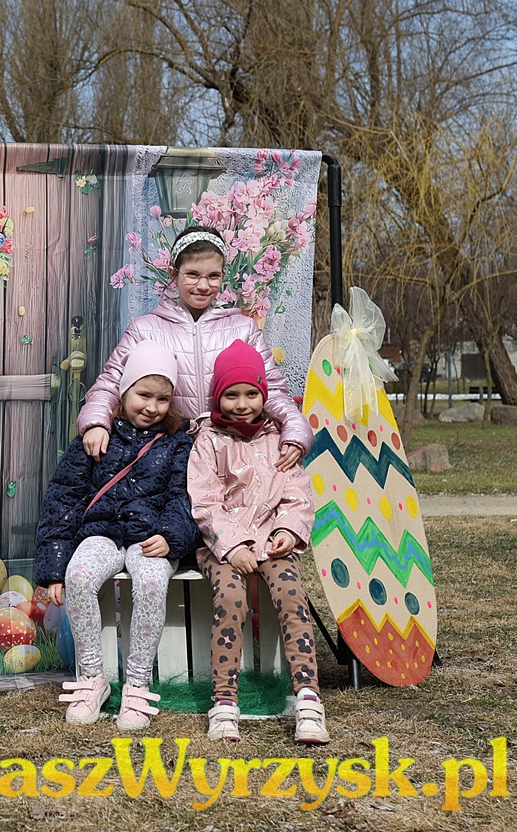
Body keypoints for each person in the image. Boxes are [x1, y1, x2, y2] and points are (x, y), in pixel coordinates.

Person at [35, 340, 200, 729]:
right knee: (79, 576)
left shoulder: (178, 443)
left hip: (150, 537)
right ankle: (93, 677)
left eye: (162, 398)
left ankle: (137, 684)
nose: (152, 407)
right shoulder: (97, 437)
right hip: (103, 532)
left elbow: (186, 495)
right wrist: (55, 568)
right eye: (144, 395)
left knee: (152, 581)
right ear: (124, 392)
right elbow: (64, 498)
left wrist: (171, 536)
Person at [187, 339, 328, 744]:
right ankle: (224, 701)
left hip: (272, 541)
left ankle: (307, 697)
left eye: (251, 394)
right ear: (218, 396)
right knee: (231, 599)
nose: (242, 404)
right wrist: (232, 546)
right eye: (231, 395)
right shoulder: (209, 441)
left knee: (291, 595)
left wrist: (288, 530)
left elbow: (297, 494)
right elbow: (204, 500)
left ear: (264, 395)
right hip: (222, 547)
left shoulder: (278, 439)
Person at [78, 225, 311, 469]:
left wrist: (294, 429)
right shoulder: (144, 329)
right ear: (173, 273)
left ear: (223, 275)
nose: (203, 286)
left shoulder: (243, 329)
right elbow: (110, 385)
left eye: (213, 276)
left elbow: (271, 389)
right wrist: (96, 423)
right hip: (164, 454)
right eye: (192, 274)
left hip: (231, 453)